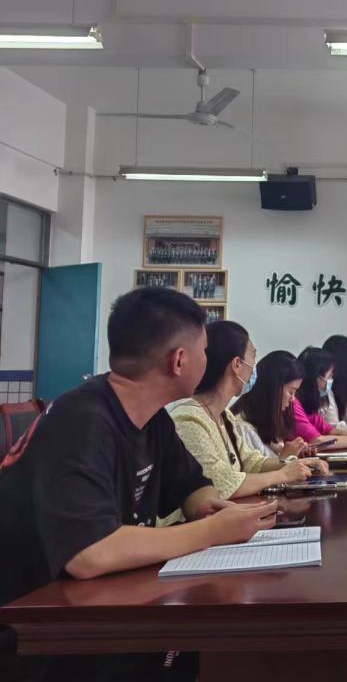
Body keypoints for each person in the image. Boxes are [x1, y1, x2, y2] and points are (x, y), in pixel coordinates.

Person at [0, 288, 277, 681]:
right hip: (40, 632)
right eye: (203, 350)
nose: (208, 359)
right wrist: (212, 531)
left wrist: (208, 507)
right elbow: (89, 553)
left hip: (104, 606)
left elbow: (192, 486)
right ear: (179, 360)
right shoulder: (83, 420)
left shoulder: (153, 419)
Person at [170, 322, 327, 500]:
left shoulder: (224, 416)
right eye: (253, 356)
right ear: (237, 364)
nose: (255, 368)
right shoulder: (189, 419)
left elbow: (252, 462)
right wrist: (283, 474)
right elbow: (220, 485)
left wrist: (295, 464)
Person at [232, 350, 308, 460]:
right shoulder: (243, 429)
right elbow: (255, 469)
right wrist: (285, 459)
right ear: (273, 390)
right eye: (291, 392)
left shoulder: (269, 422)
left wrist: (295, 454)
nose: (293, 399)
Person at [294, 347, 347, 447]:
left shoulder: (308, 405)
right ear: (315, 378)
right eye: (329, 376)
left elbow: (331, 430)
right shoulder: (294, 404)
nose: (331, 380)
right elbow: (316, 440)